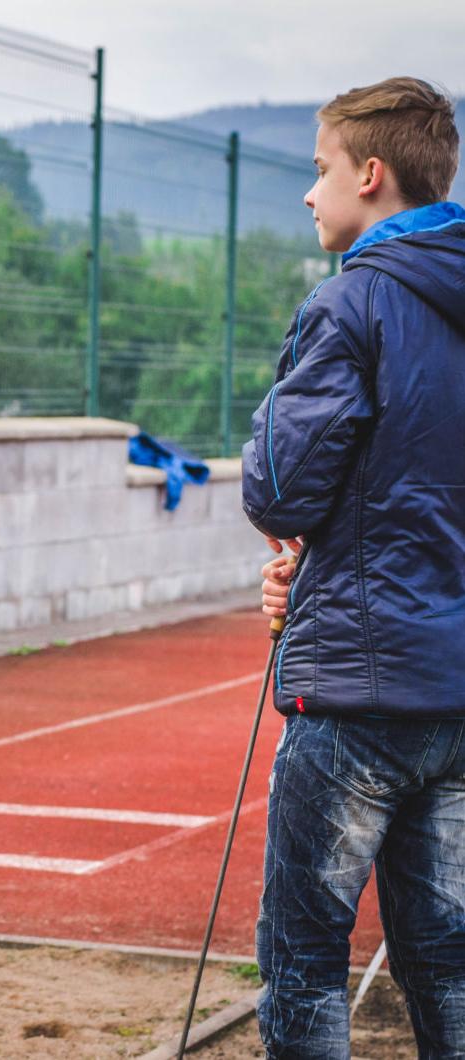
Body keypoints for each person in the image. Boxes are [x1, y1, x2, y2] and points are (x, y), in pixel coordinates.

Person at [240, 78, 465, 1056]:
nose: (309, 193)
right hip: (457, 697)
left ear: (371, 175)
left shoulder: (349, 305)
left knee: (301, 954)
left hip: (362, 695)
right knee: (449, 954)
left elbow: (280, 490)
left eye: (321, 169)